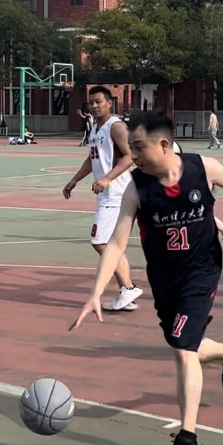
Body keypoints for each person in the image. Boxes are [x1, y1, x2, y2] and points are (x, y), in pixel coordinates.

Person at [70, 112, 223, 445]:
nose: (133, 155)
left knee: (183, 350)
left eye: (138, 147)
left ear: (164, 145)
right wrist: (95, 292)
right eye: (131, 148)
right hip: (164, 277)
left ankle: (187, 440)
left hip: (201, 271)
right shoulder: (137, 188)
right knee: (184, 343)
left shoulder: (202, 168)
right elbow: (116, 244)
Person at [63, 86, 143, 312]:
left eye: (98, 101)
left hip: (117, 194)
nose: (94, 106)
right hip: (110, 195)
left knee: (101, 242)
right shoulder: (96, 129)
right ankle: (127, 290)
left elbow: (131, 156)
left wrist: (107, 178)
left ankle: (128, 288)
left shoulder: (115, 127)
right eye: (91, 102)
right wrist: (74, 180)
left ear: (110, 103)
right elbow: (92, 158)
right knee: (110, 244)